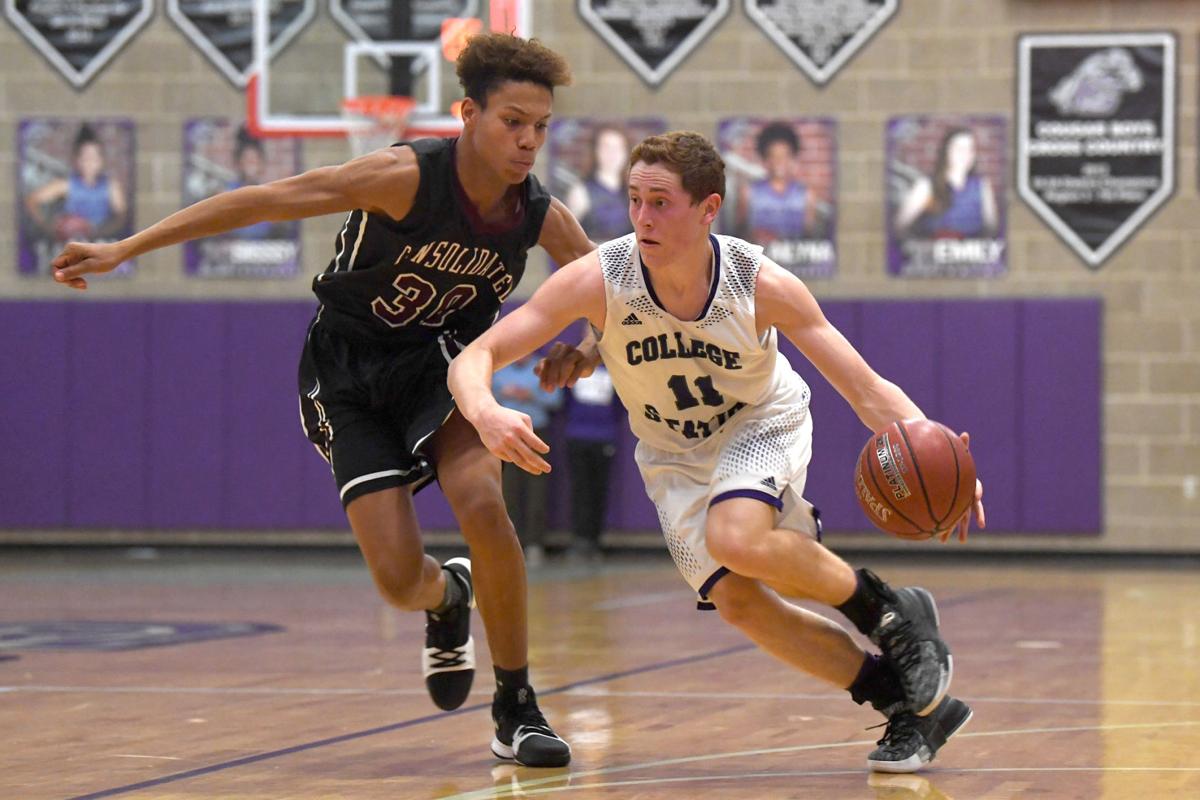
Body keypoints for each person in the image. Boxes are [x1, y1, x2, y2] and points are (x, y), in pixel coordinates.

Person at [50, 33, 596, 769]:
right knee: (399, 581)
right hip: (347, 368)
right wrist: (127, 248)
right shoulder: (402, 176)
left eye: (541, 126)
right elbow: (262, 199)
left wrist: (588, 349)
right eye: (513, 122)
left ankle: (516, 706)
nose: (529, 141)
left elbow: (610, 290)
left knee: (483, 505)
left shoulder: (537, 214)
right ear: (468, 113)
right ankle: (446, 598)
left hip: (442, 367)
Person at [448, 131, 987, 773]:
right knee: (740, 603)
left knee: (735, 536)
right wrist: (485, 412)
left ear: (709, 209)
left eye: (661, 202)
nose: (643, 217)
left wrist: (942, 458)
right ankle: (904, 705)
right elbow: (478, 355)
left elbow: (866, 390)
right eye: (634, 200)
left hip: (760, 421)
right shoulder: (601, 278)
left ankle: (893, 612)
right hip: (672, 453)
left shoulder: (759, 282)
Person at [494, 353, 562, 567]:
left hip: (536, 432)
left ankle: (535, 544)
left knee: (537, 490)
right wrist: (502, 395)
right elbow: (482, 400)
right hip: (507, 435)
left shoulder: (542, 370)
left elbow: (555, 400)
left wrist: (530, 396)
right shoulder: (498, 370)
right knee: (508, 489)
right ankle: (512, 542)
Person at [26, 123, 128, 248]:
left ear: (101, 161)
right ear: (77, 160)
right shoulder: (66, 184)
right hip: (70, 243)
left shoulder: (111, 187)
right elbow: (31, 200)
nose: (90, 162)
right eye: (85, 158)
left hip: (102, 242)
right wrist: (48, 227)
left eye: (94, 158)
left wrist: (99, 231)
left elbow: (122, 217)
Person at [562, 358, 623, 563]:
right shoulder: (574, 369)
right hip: (577, 436)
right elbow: (565, 400)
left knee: (599, 491)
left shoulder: (613, 370)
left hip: (604, 437)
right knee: (579, 490)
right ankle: (579, 540)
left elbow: (620, 405)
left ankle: (595, 542)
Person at [893, 126, 998, 240]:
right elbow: (899, 226)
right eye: (959, 148)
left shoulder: (982, 185)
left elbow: (992, 229)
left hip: (972, 254)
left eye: (969, 149)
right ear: (946, 151)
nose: (965, 154)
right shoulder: (927, 185)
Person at [737, 121, 813, 242]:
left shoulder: (805, 195)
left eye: (784, 156)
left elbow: (810, 235)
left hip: (794, 258)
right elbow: (739, 231)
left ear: (792, 159)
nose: (779, 161)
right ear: (766, 160)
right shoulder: (749, 193)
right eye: (774, 156)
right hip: (760, 257)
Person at [565, 124, 633, 243]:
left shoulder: (634, 192)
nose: (612, 154)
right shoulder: (580, 192)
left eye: (618, 148)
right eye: (606, 147)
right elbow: (567, 241)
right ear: (595, 151)